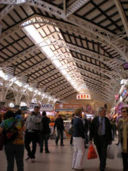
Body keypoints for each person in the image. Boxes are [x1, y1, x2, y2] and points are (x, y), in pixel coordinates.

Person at [90, 107, 112, 171]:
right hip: (97, 139)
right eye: (104, 112)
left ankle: (102, 167)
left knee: (104, 153)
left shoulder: (107, 120)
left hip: (105, 138)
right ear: (99, 112)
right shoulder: (95, 120)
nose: (105, 113)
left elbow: (109, 130)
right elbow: (92, 130)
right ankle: (102, 163)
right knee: (99, 152)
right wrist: (90, 139)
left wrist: (110, 139)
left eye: (105, 112)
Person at [117, 106, 128, 171]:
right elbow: (118, 130)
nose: (122, 113)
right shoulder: (120, 121)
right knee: (124, 156)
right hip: (123, 141)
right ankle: (125, 168)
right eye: (122, 112)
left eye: (124, 111)